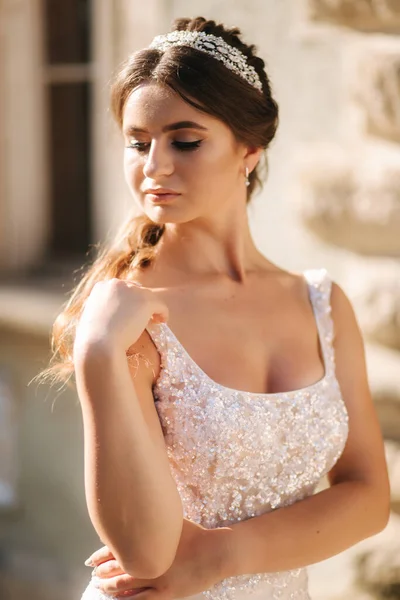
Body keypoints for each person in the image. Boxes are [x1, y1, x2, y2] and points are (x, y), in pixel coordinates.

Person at [37, 16, 390, 600]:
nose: (154, 167)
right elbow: (147, 554)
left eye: (185, 140)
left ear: (249, 150)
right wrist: (97, 351)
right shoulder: (128, 318)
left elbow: (369, 497)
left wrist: (219, 555)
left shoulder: (322, 303)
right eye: (137, 142)